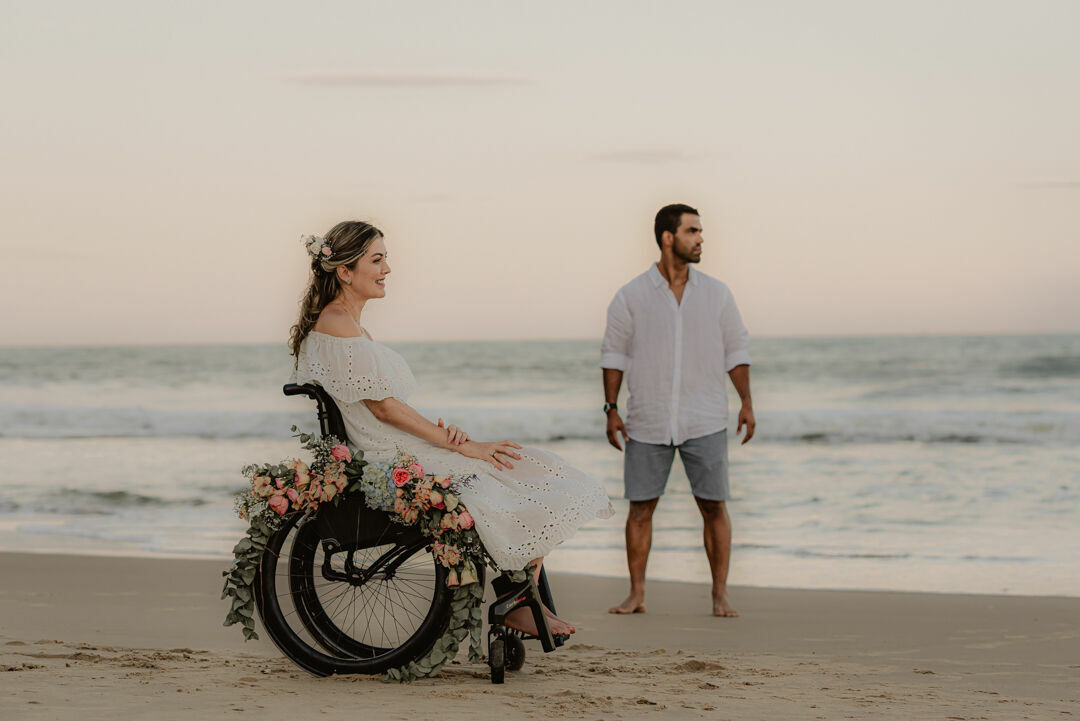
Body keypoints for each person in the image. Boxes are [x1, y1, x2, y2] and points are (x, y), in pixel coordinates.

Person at [288, 219, 614, 638]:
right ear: (345, 271)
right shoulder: (338, 323)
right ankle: (516, 601)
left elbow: (384, 407)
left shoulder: (347, 323)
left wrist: (450, 438)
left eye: (386, 258)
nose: (388, 268)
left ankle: (519, 596)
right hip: (383, 455)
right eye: (377, 259)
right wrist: (456, 445)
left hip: (391, 445)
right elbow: (384, 409)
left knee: (524, 469)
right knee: (502, 474)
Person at [600, 203, 754, 618]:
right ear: (668, 238)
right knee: (640, 508)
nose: (701, 238)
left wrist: (747, 402)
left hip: (705, 417)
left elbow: (736, 351)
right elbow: (613, 356)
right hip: (647, 420)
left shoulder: (718, 294)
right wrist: (611, 409)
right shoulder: (630, 296)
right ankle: (636, 594)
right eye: (692, 231)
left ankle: (720, 593)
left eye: (700, 231)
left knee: (714, 505)